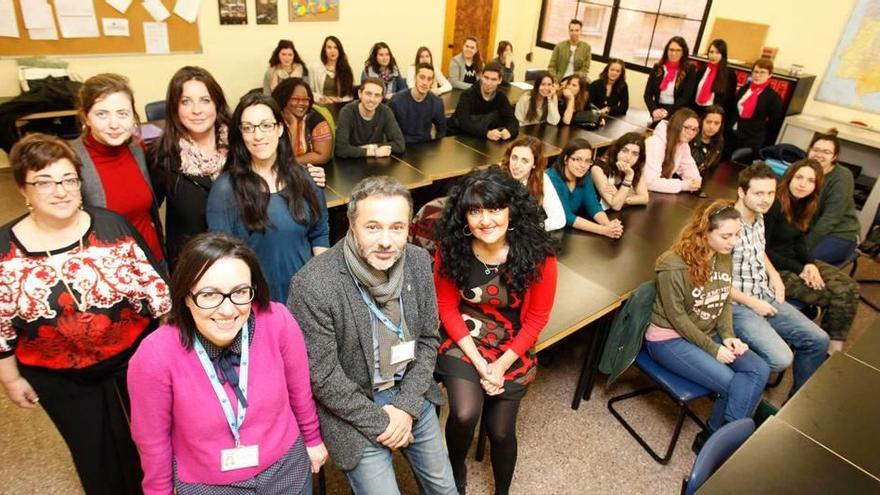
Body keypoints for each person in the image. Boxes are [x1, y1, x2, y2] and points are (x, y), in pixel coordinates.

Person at [0, 133, 171, 495]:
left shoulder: (112, 227)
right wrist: (11, 379)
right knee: (94, 453)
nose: (59, 190)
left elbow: (157, 293)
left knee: (151, 443)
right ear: (23, 189)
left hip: (132, 361)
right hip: (59, 379)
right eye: (44, 182)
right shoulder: (4, 249)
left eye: (68, 180)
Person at [288, 176, 458, 495]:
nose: (386, 241)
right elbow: (323, 377)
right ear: (352, 223)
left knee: (445, 489)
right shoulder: (313, 285)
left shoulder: (419, 261)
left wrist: (406, 407)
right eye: (373, 227)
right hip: (354, 404)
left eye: (397, 227)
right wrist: (385, 423)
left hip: (410, 389)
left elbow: (427, 340)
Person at [128, 232, 327, 494]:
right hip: (209, 485)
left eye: (240, 292)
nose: (228, 310)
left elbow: (299, 389)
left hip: (286, 468)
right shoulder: (155, 355)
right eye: (210, 295)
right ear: (186, 296)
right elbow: (153, 441)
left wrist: (312, 439)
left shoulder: (277, 320)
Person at [434, 166, 557, 495]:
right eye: (475, 211)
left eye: (494, 209)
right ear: (464, 217)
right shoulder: (451, 248)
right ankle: (455, 469)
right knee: (463, 413)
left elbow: (537, 318)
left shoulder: (539, 255)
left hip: (512, 344)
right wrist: (479, 363)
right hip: (463, 337)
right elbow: (446, 307)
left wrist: (500, 366)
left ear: (511, 210)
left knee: (501, 431)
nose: (485, 220)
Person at [646, 200, 769, 450]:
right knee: (735, 385)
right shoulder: (673, 264)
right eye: (726, 236)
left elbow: (723, 298)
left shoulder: (723, 255)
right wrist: (714, 349)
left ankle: (716, 437)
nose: (733, 242)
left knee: (759, 369)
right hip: (669, 338)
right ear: (705, 232)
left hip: (705, 330)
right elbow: (677, 317)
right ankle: (720, 444)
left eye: (737, 235)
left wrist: (728, 335)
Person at [206, 92, 328, 302]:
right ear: (241, 134)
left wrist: (322, 289)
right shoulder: (226, 189)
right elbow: (222, 258)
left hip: (306, 297)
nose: (258, 136)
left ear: (279, 128)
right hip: (257, 302)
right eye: (248, 128)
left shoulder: (305, 178)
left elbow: (320, 233)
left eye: (265, 125)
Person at [730, 162, 830, 397]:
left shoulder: (758, 216)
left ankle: (793, 407)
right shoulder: (728, 224)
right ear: (742, 192)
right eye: (759, 193)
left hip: (762, 292)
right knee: (781, 358)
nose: (766, 199)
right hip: (736, 305)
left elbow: (758, 248)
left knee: (819, 340)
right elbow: (712, 280)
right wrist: (754, 304)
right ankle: (730, 367)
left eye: (771, 193)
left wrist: (774, 275)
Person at [765, 159, 859, 353]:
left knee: (850, 287)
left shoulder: (805, 204)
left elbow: (799, 241)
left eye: (810, 181)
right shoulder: (773, 203)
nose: (803, 184)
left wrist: (810, 264)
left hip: (796, 262)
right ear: (789, 177)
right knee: (837, 295)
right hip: (773, 268)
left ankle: (834, 347)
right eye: (799, 177)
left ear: (816, 186)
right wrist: (800, 269)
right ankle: (828, 350)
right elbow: (763, 250)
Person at [72, 73, 165, 265]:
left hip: (153, 258)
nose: (114, 124)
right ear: (86, 118)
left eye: (122, 113)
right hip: (110, 269)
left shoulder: (137, 149)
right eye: (102, 114)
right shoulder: (71, 160)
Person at [149, 66, 231, 270]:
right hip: (192, 267)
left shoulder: (239, 146)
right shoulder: (163, 155)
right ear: (175, 108)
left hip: (240, 259)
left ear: (217, 104)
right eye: (186, 102)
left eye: (205, 100)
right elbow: (146, 213)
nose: (197, 110)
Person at [803, 130, 861, 265]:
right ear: (809, 150)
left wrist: (804, 248)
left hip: (840, 233)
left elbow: (831, 218)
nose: (819, 155)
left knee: (803, 260)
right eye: (816, 149)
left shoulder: (842, 177)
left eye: (826, 152)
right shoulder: (801, 168)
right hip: (809, 228)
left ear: (834, 157)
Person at [546, 138, 624, 238]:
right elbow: (566, 216)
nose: (583, 165)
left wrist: (608, 225)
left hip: (567, 233)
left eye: (587, 161)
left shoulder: (585, 176)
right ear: (566, 159)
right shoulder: (551, 177)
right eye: (578, 159)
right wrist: (603, 230)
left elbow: (594, 206)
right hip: (547, 231)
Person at [499, 136, 566, 230]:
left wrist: (533, 229)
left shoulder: (542, 179)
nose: (517, 166)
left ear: (535, 164)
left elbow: (559, 219)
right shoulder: (498, 174)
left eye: (524, 161)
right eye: (514, 158)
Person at [727, 59, 783, 161]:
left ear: (770, 75)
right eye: (756, 72)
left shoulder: (773, 97)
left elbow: (774, 124)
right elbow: (734, 110)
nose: (758, 75)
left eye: (762, 72)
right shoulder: (744, 89)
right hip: (733, 135)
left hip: (752, 140)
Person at [335, 77, 406, 157]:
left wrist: (372, 147)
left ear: (381, 98)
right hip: (350, 163)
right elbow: (340, 149)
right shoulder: (347, 112)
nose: (372, 99)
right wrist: (373, 152)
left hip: (376, 164)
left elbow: (400, 145)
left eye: (377, 95)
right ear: (360, 94)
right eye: (368, 94)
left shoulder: (385, 111)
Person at [448, 62, 519, 141]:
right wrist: (486, 133)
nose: (489, 83)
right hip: (458, 138)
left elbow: (513, 121)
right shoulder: (467, 95)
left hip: (481, 140)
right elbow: (465, 124)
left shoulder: (500, 97)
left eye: (493, 79)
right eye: (486, 78)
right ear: (481, 76)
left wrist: (509, 131)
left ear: (500, 80)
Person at [272, 77, 332, 166]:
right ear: (284, 99)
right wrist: (293, 124)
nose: (302, 103)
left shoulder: (316, 119)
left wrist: (290, 161)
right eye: (295, 99)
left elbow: (322, 156)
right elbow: (280, 154)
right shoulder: (272, 119)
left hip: (310, 173)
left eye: (306, 100)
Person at [644, 107, 702, 194]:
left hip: (658, 194)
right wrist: (684, 185)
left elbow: (690, 169)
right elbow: (650, 182)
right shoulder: (655, 143)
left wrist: (695, 181)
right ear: (676, 125)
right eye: (687, 127)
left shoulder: (683, 144)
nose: (690, 133)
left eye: (694, 130)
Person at [390, 63, 447, 144]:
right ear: (415, 78)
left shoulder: (437, 102)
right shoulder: (397, 100)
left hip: (425, 146)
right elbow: (388, 130)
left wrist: (435, 148)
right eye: (422, 77)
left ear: (432, 82)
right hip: (402, 145)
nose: (425, 82)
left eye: (429, 79)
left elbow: (442, 131)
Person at [591, 132, 649, 210]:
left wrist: (622, 197)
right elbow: (616, 206)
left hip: (613, 215)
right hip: (591, 215)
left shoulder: (635, 168)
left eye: (634, 154)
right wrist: (628, 177)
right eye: (624, 151)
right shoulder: (598, 169)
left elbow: (644, 198)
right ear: (617, 150)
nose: (628, 157)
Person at [644, 37, 696, 125]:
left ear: (683, 52)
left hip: (676, 112)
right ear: (666, 51)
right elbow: (647, 94)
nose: (673, 53)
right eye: (671, 50)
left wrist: (666, 111)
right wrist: (653, 110)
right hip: (657, 110)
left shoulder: (689, 69)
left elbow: (685, 98)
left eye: (678, 50)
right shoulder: (658, 67)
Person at [692, 39, 737, 118]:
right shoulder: (701, 71)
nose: (713, 56)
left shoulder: (729, 75)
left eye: (717, 53)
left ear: (723, 55)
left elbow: (730, 101)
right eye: (711, 52)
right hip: (696, 111)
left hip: (714, 114)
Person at [310, 35, 355, 104]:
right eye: (329, 47)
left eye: (335, 48)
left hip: (340, 106)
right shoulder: (315, 68)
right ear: (324, 50)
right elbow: (309, 92)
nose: (332, 51)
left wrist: (340, 100)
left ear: (339, 51)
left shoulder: (346, 69)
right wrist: (321, 98)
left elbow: (350, 95)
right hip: (321, 105)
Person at [689, 105, 726, 176]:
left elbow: (713, 168)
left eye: (716, 123)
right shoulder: (690, 135)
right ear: (702, 121)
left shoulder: (719, 141)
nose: (711, 126)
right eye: (708, 122)